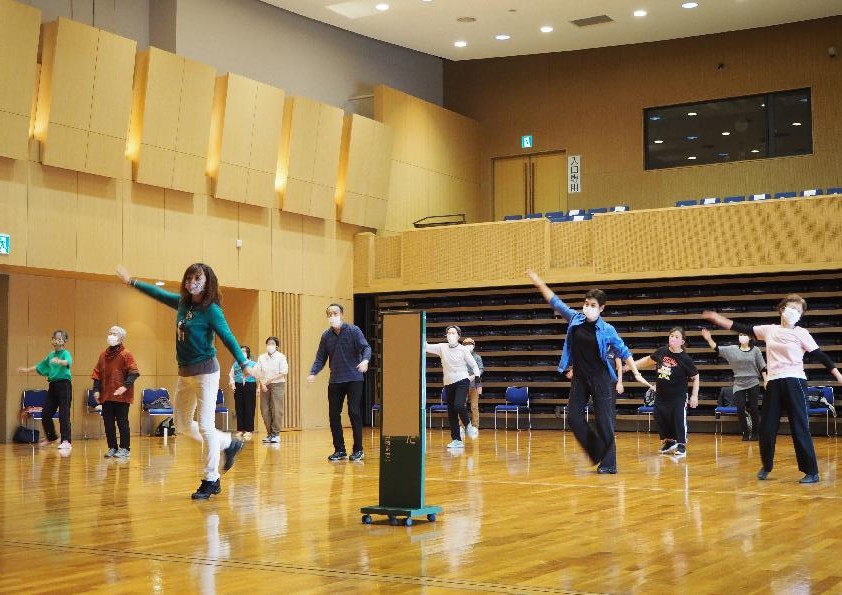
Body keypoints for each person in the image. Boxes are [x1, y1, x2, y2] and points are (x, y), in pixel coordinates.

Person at [116, 263, 255, 499]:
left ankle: (211, 479)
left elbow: (228, 337)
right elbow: (159, 294)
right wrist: (132, 282)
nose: (192, 282)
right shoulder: (183, 303)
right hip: (185, 374)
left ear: (207, 281)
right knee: (180, 425)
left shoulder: (211, 310)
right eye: (189, 278)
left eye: (197, 278)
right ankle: (228, 443)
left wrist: (243, 363)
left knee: (205, 426)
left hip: (206, 374)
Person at [703, 294, 842, 484]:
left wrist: (838, 375)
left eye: (799, 310)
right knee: (767, 427)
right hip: (774, 383)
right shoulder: (769, 330)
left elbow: (821, 356)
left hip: (795, 382)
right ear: (782, 308)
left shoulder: (802, 333)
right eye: (792, 307)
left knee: (799, 427)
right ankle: (766, 465)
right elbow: (742, 328)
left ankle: (811, 471)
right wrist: (719, 319)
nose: (794, 312)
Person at [526, 269, 652, 474]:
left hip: (601, 377)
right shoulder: (575, 319)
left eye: (593, 305)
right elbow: (556, 302)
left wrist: (636, 372)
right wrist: (539, 282)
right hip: (581, 377)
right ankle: (595, 451)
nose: (588, 308)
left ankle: (609, 464)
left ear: (602, 308)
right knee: (574, 417)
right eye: (586, 304)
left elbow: (624, 350)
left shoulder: (608, 330)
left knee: (604, 421)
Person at [306, 303, 372, 462]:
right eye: (329, 314)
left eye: (335, 313)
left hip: (354, 378)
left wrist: (365, 360)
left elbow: (366, 348)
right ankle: (340, 450)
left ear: (342, 315)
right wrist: (313, 373)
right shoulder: (326, 336)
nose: (332, 316)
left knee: (353, 412)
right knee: (333, 415)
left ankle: (358, 450)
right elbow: (321, 357)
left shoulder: (354, 330)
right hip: (335, 380)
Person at [633, 327, 700, 457]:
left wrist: (694, 396)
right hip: (661, 395)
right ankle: (669, 442)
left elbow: (696, 377)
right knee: (660, 417)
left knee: (678, 419)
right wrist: (631, 365)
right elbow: (648, 360)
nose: (673, 338)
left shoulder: (685, 359)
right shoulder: (662, 352)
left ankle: (681, 445)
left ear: (682, 341)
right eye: (671, 336)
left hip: (678, 397)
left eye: (676, 337)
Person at [701, 327, 767, 440]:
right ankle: (745, 432)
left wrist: (766, 380)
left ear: (750, 337)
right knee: (740, 408)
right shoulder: (733, 349)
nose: (742, 337)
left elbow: (762, 366)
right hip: (739, 383)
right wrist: (709, 339)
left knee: (753, 408)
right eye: (740, 335)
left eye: (745, 335)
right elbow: (717, 348)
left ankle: (756, 433)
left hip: (753, 381)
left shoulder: (756, 350)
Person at [425, 327, 481, 449]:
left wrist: (477, 379)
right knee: (451, 412)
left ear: (458, 336)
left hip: (462, 380)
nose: (450, 335)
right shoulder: (441, 347)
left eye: (453, 333)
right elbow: (426, 347)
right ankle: (457, 440)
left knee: (459, 405)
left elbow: (474, 365)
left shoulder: (463, 349)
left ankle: (468, 426)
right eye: (449, 333)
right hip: (448, 383)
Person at [18, 330, 73, 450]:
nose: (56, 340)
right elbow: (40, 366)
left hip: (64, 385)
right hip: (53, 386)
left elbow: (68, 362)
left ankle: (66, 441)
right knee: (46, 413)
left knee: (64, 414)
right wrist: (27, 370)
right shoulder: (51, 355)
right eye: (54, 338)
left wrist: (60, 362)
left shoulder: (65, 353)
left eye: (59, 339)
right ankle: (52, 437)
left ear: (64, 341)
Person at [92, 326, 140, 458]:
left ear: (121, 338)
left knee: (122, 421)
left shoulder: (126, 354)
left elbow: (133, 373)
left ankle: (125, 448)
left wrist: (125, 386)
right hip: (107, 395)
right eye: (110, 333)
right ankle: (112, 447)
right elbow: (97, 374)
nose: (111, 335)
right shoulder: (103, 355)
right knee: (108, 422)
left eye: (114, 333)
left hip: (122, 396)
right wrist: (96, 389)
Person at [256, 337, 288, 444]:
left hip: (277, 384)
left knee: (276, 409)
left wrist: (270, 380)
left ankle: (276, 434)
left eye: (272, 343)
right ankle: (269, 434)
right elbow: (258, 372)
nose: (270, 345)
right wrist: (261, 385)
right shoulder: (261, 357)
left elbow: (283, 372)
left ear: (277, 346)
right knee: (264, 409)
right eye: (268, 343)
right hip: (264, 385)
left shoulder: (281, 357)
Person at [228, 345, 258, 439]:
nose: (242, 353)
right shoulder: (235, 364)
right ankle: (241, 429)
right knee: (239, 407)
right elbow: (231, 375)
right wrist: (232, 384)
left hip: (250, 385)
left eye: (244, 351)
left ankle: (249, 430)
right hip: (239, 385)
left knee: (249, 407)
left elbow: (258, 376)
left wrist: (259, 388)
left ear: (247, 353)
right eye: (241, 351)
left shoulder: (253, 364)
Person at [462, 337, 484, 436]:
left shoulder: (477, 357)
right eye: (466, 344)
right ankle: (461, 426)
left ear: (473, 346)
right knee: (461, 406)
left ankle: (475, 426)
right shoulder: (460, 357)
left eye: (470, 344)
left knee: (474, 407)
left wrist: (473, 376)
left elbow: (481, 369)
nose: (468, 346)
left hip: (475, 385)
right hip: (462, 386)